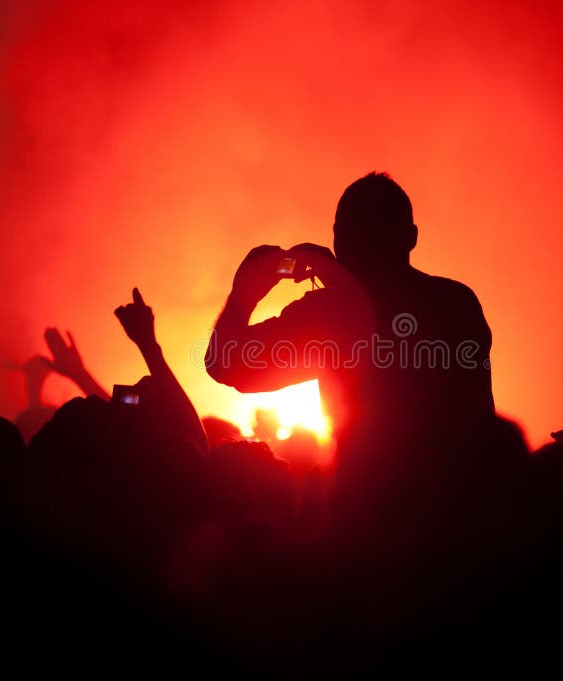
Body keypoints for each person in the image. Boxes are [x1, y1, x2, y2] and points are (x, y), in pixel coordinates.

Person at [206, 173, 494, 510]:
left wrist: (245, 293)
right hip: (463, 504)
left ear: (339, 244)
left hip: (365, 510)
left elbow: (226, 365)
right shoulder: (456, 302)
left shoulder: (330, 313)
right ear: (411, 238)